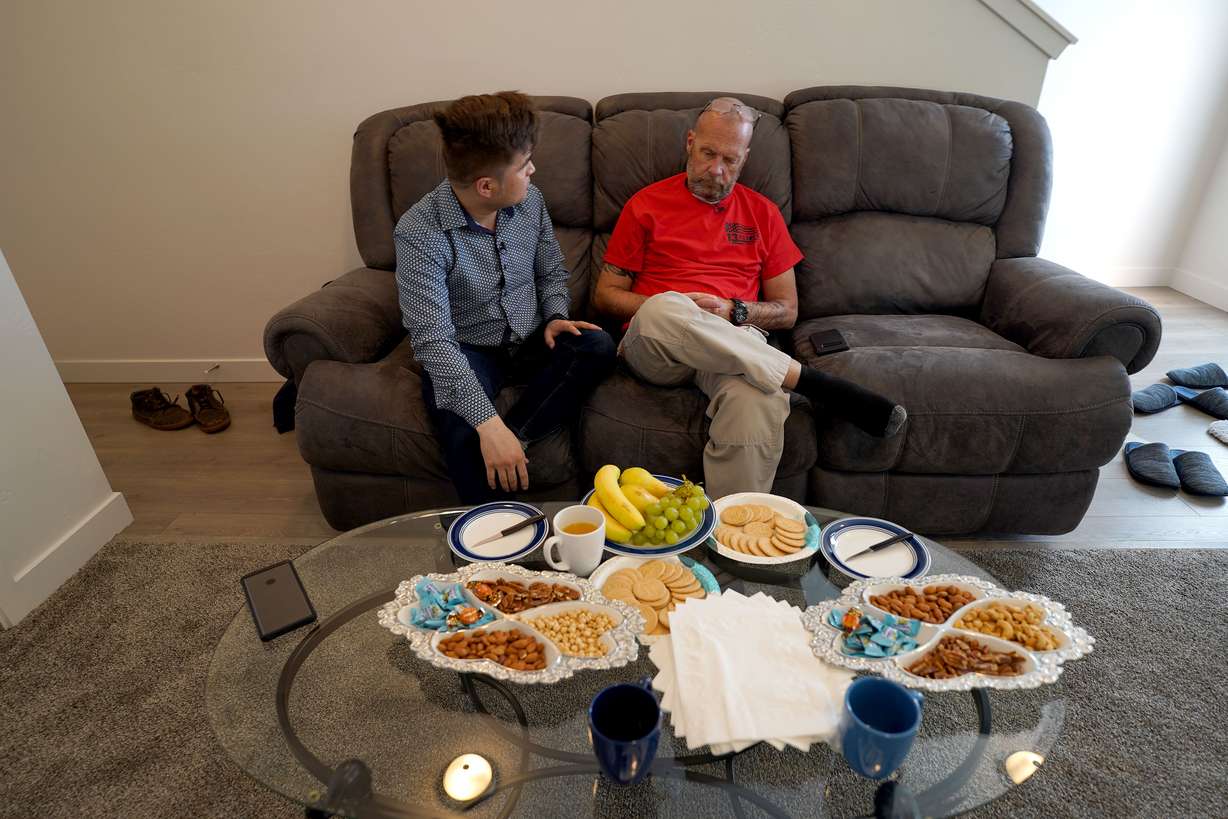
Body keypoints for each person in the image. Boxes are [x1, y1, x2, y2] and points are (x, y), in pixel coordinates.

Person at [592, 97, 905, 498]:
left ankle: (730, 538)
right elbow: (606, 295)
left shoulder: (764, 214)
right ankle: (813, 383)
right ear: (690, 142)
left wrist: (733, 310)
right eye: (708, 153)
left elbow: (788, 310)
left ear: (746, 158)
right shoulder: (645, 205)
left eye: (730, 159)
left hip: (734, 344)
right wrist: (680, 306)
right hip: (658, 346)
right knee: (663, 307)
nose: (717, 169)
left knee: (761, 399)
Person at [395, 91, 616, 502]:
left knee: (597, 345)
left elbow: (550, 268)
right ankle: (486, 547)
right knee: (461, 422)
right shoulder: (419, 233)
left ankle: (516, 437)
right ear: (486, 185)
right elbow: (434, 343)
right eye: (523, 164)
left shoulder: (529, 200)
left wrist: (553, 315)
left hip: (532, 337)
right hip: (467, 348)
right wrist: (484, 422)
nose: (533, 170)